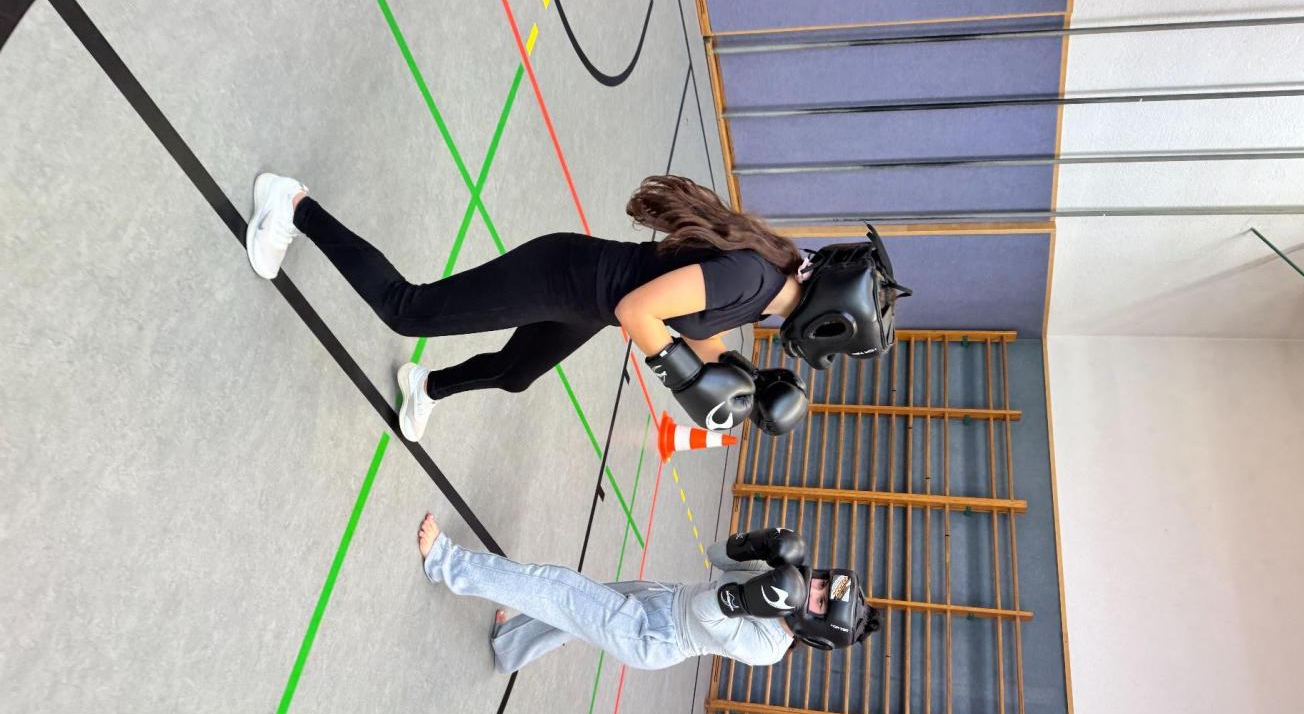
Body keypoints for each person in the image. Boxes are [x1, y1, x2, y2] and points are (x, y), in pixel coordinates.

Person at [244, 173, 908, 442]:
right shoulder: (751, 278)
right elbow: (641, 314)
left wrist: (744, 381)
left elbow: (695, 324)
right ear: (832, 322)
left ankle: (425, 385)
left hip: (585, 302)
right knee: (407, 310)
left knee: (514, 373)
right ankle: (293, 206)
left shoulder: (769, 286)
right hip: (563, 277)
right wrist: (689, 382)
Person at [414, 518, 881, 673]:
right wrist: (757, 545)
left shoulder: (769, 648)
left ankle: (445, 563)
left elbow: (704, 611)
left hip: (652, 636)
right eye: (823, 582)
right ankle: (509, 648)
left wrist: (750, 598)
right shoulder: (784, 577)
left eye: (821, 600)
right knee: (570, 616)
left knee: (559, 590)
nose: (814, 587)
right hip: (663, 596)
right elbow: (716, 556)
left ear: (816, 629)